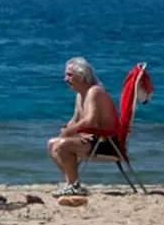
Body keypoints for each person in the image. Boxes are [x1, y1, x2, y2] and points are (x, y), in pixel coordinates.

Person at [46, 56, 120, 197]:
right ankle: (72, 184)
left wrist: (69, 131)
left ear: (81, 76)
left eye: (69, 75)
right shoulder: (81, 95)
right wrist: (66, 128)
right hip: (92, 140)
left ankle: (74, 185)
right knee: (51, 143)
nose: (65, 79)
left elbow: (90, 121)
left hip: (106, 143)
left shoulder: (94, 92)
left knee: (62, 145)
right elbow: (76, 119)